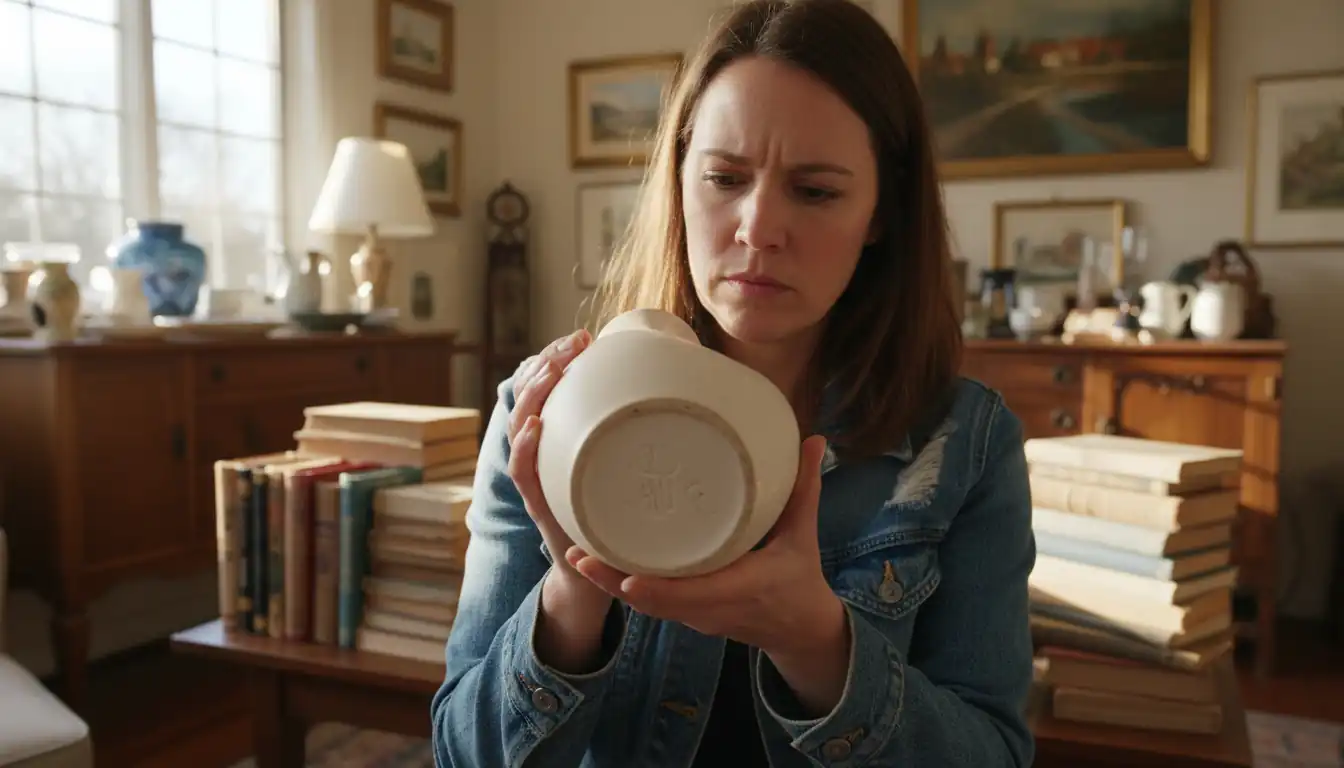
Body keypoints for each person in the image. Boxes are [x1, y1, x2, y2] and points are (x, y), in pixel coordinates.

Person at [430, 0, 1036, 765]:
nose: (757, 227)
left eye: (815, 191)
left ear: (881, 211)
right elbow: (463, 753)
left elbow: (995, 754)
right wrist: (573, 583)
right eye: (723, 176)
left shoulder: (961, 446)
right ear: (679, 181)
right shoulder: (542, 411)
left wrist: (818, 645)